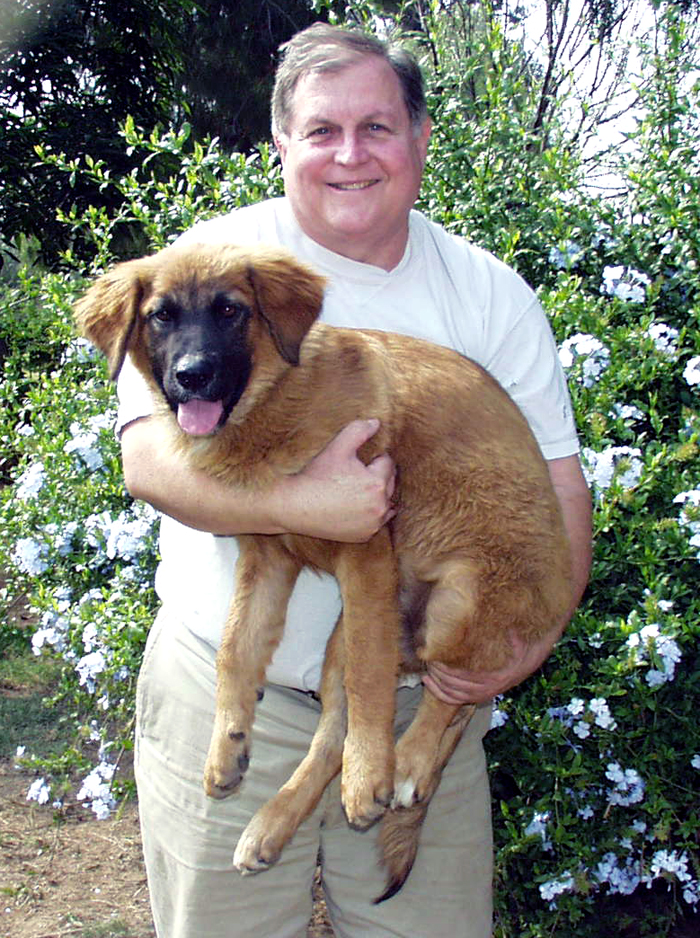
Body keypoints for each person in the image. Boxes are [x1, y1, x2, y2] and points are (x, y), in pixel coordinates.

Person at [117, 22, 592, 938]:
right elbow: (146, 462)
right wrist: (305, 505)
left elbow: (560, 484)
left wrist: (533, 633)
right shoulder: (204, 268)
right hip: (228, 692)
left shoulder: (488, 294)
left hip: (421, 694)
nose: (350, 155)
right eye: (323, 130)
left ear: (419, 137)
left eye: (377, 128)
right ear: (283, 143)